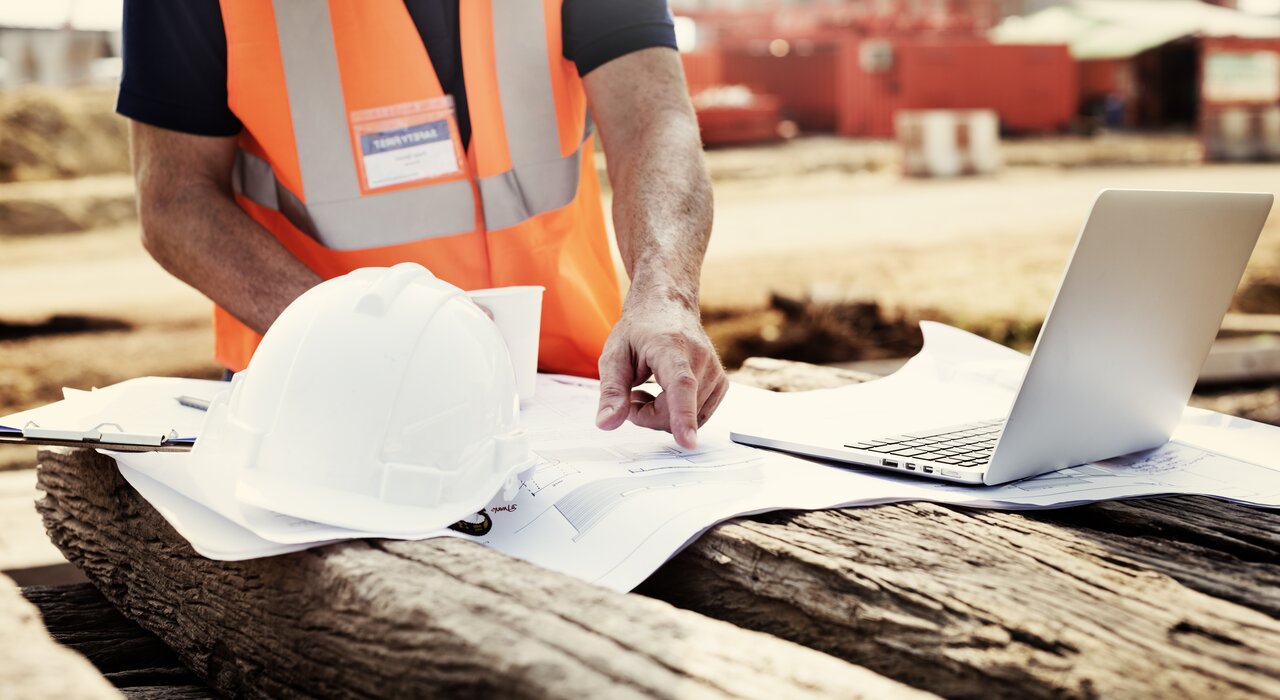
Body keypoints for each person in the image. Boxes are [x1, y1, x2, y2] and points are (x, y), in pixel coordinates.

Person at [119, 1, 727, 449]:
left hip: (570, 395)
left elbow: (653, 119)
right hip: (326, 397)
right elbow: (175, 198)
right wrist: (369, 340)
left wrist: (664, 294)